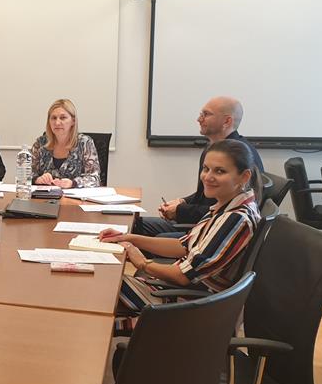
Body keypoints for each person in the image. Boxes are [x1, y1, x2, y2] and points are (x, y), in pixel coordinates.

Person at [100, 139, 261, 316]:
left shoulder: (235, 219)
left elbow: (183, 276)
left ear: (244, 177)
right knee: (105, 283)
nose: (207, 177)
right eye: (206, 169)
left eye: (220, 171)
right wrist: (128, 238)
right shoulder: (225, 207)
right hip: (190, 292)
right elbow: (182, 246)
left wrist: (142, 262)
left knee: (104, 285)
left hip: (197, 305)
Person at [138, 96, 265, 237]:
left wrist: (180, 210)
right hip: (203, 222)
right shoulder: (214, 149)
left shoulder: (239, 155)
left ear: (227, 121)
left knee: (150, 235)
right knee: (137, 224)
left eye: (206, 114)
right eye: (200, 114)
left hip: (214, 229)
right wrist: (183, 201)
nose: (199, 119)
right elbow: (205, 195)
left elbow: (223, 211)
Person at [30, 99, 101, 188]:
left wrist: (73, 183)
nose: (57, 122)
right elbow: (26, 174)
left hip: (75, 199)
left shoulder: (84, 143)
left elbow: (95, 178)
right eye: (53, 118)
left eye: (63, 118)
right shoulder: (40, 143)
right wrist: (37, 179)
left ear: (73, 121)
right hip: (45, 199)